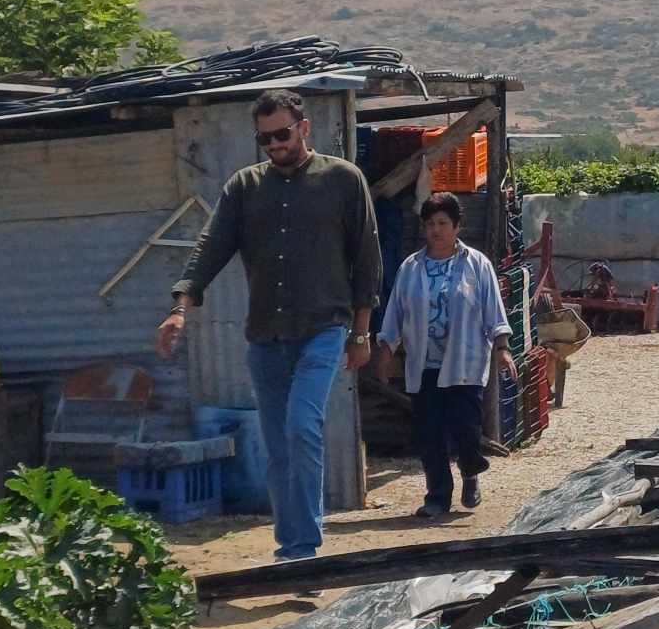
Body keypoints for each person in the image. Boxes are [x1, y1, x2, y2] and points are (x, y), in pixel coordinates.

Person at [157, 89, 380, 560]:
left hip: (324, 329)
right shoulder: (245, 187)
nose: (275, 145)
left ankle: (304, 548)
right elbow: (210, 247)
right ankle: (292, 547)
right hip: (266, 337)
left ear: (304, 128)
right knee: (278, 446)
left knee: (303, 427)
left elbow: (366, 259)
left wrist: (362, 332)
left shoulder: (343, 180)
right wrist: (181, 307)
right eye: (265, 139)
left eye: (282, 134)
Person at [376, 192, 514, 518]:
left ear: (457, 226)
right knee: (429, 434)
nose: (436, 230)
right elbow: (395, 312)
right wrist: (385, 350)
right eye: (430, 224)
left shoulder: (476, 264)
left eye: (443, 223)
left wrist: (503, 348)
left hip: (464, 361)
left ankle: (470, 469)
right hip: (424, 364)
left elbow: (494, 310)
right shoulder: (411, 267)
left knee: (466, 427)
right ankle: (437, 495)